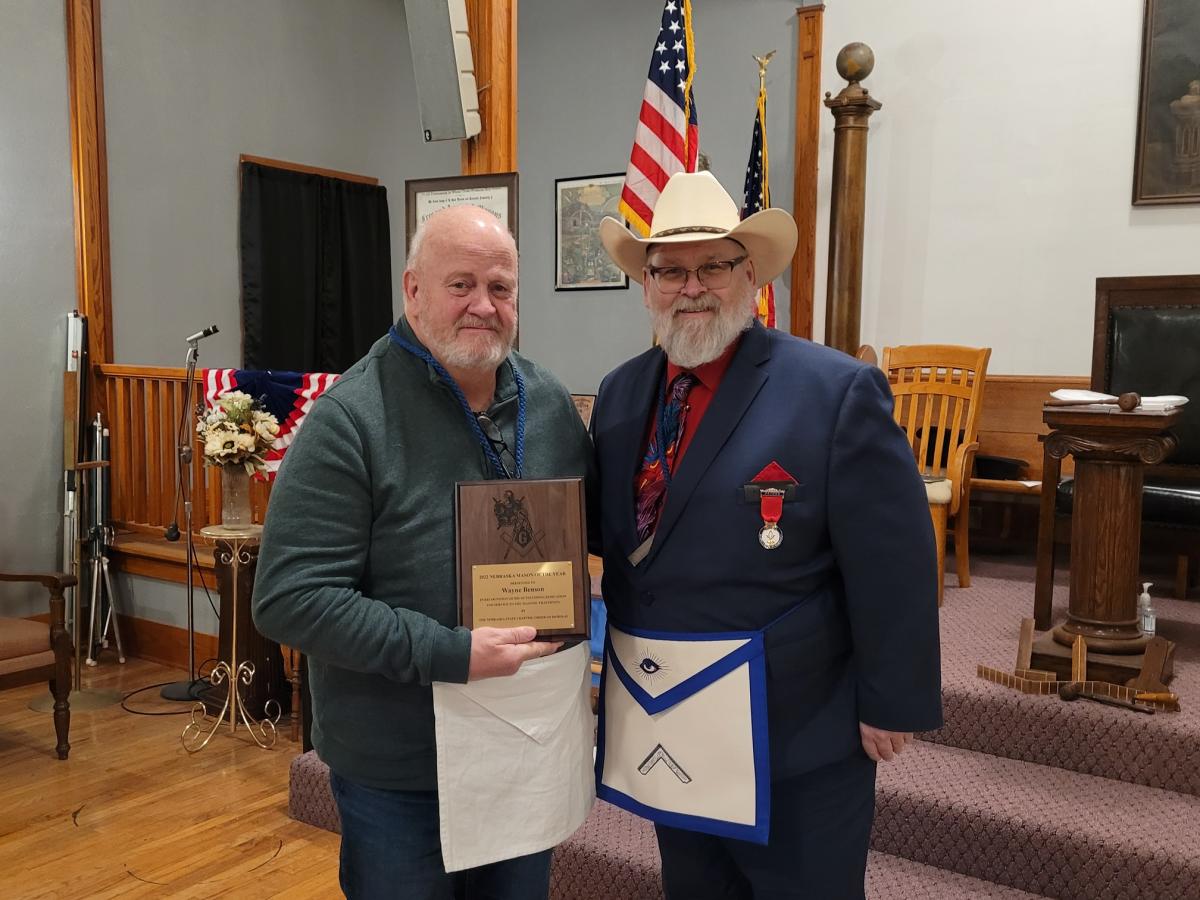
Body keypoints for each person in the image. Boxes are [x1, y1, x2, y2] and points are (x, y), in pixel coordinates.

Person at [590, 171, 942, 899]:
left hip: (794, 731)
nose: (692, 287)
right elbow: (616, 538)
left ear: (749, 274)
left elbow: (894, 559)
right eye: (670, 271)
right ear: (646, 283)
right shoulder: (622, 391)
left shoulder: (833, 391)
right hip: (668, 722)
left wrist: (891, 699)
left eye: (713, 266)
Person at [253, 205, 593, 900]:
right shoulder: (352, 416)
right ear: (412, 290)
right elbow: (290, 598)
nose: (483, 306)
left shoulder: (551, 403)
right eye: (460, 284)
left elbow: (595, 533)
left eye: (500, 289)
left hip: (525, 748)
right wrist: (451, 652)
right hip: (403, 772)